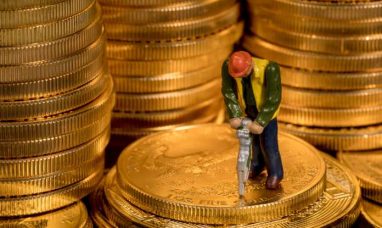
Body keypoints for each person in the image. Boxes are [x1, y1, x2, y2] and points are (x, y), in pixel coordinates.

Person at [221, 51, 283, 189]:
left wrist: (261, 121)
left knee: (269, 145)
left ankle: (275, 173)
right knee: (253, 143)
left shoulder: (270, 69)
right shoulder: (228, 67)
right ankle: (257, 164)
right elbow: (228, 90)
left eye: (244, 74)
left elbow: (274, 98)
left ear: (250, 65)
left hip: (265, 114)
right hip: (248, 111)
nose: (241, 77)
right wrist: (234, 113)